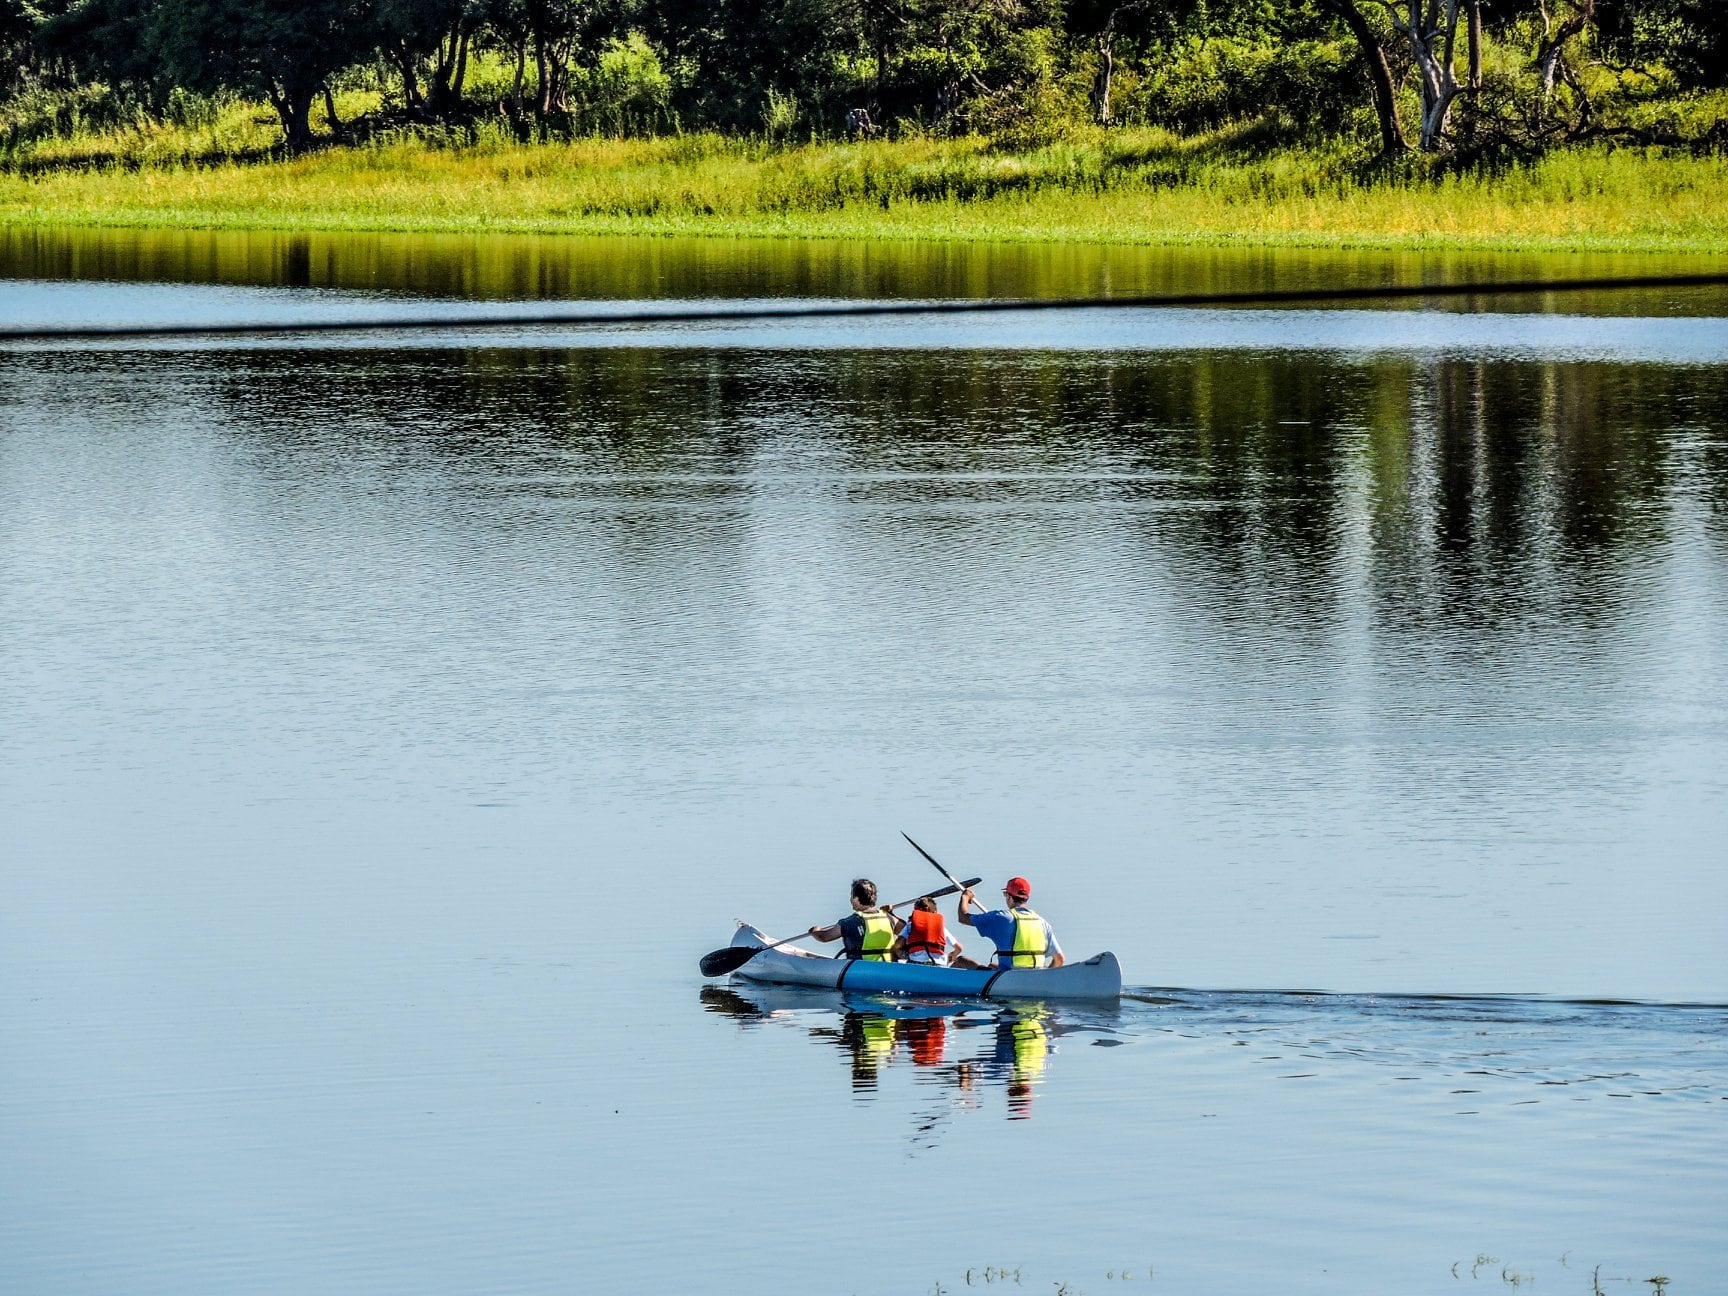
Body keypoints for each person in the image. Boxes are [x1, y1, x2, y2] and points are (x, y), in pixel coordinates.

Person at [956, 876, 1064, 970]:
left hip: (1007, 977)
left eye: (1005, 894)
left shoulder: (1001, 917)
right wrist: (1043, 978)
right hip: (1036, 975)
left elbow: (963, 917)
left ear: (1009, 896)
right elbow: (1059, 960)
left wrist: (965, 897)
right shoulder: (1042, 923)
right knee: (992, 965)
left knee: (961, 961)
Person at [807, 878, 904, 961]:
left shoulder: (851, 921)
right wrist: (892, 914)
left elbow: (824, 937)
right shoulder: (889, 918)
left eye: (851, 896)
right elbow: (905, 929)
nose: (850, 899)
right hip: (888, 967)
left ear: (857, 899)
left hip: (860, 969)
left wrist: (815, 931)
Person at [903, 894, 980, 969]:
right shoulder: (940, 928)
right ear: (934, 912)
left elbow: (898, 945)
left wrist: (902, 954)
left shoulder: (910, 926)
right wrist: (952, 955)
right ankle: (984, 974)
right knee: (961, 960)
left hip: (917, 967)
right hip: (939, 968)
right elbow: (959, 948)